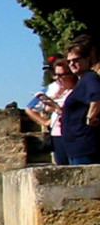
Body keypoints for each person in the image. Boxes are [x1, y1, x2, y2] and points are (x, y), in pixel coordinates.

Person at [27, 57, 78, 164]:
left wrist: (55, 105)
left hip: (71, 133)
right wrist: (45, 122)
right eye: (55, 74)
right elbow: (31, 107)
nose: (56, 78)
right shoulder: (55, 88)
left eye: (60, 75)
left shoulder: (78, 89)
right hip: (57, 132)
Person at [60, 35, 100, 164]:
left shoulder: (90, 77)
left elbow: (97, 95)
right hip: (76, 148)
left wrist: (91, 116)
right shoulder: (82, 81)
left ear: (87, 59)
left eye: (76, 60)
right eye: (69, 61)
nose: (72, 64)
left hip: (84, 147)